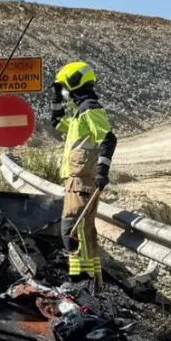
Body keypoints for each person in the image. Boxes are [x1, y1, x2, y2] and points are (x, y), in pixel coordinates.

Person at [53, 61, 117, 284]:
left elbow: (108, 138)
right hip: (76, 182)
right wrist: (56, 99)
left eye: (64, 87)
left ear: (73, 82)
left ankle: (81, 280)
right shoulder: (80, 112)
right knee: (82, 231)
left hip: (82, 182)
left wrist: (102, 170)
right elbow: (58, 123)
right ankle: (90, 280)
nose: (64, 91)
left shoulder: (90, 108)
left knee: (72, 229)